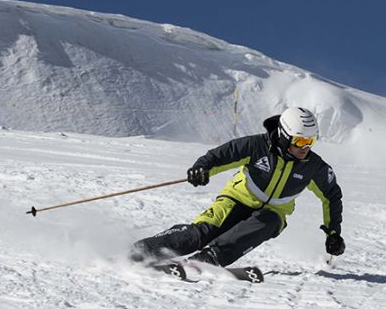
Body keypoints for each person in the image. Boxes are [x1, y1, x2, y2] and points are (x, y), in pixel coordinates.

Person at [131, 106, 345, 267]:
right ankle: (142, 251)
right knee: (199, 234)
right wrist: (202, 168)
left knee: (269, 221)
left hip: (272, 214)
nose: (305, 148)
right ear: (284, 135)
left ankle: (208, 259)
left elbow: (332, 195)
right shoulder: (257, 146)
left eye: (310, 141)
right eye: (299, 141)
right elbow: (222, 154)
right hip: (236, 199)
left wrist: (333, 233)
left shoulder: (314, 167)